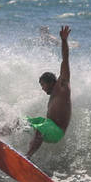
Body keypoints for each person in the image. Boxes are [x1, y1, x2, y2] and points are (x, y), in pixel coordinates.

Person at [26, 25, 72, 157]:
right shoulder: (53, 95)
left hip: (57, 131)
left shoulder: (62, 85)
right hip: (48, 125)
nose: (42, 89)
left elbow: (65, 59)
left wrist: (63, 40)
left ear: (51, 82)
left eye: (43, 85)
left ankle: (28, 157)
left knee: (41, 128)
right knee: (18, 121)